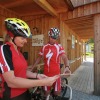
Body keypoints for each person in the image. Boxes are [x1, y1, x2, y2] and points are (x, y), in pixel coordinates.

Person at [0, 18, 59, 100]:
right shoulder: (4, 49)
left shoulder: (18, 51)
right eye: (23, 38)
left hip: (25, 92)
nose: (26, 41)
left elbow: (22, 72)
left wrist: (38, 75)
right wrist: (42, 82)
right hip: (12, 96)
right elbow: (11, 81)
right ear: (12, 36)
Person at [32, 27, 71, 99]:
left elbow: (64, 57)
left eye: (55, 38)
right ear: (49, 36)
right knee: (46, 94)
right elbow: (38, 58)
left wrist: (67, 66)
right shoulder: (44, 47)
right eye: (52, 37)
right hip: (46, 75)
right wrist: (32, 68)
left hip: (56, 75)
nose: (53, 39)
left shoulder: (59, 47)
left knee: (57, 93)